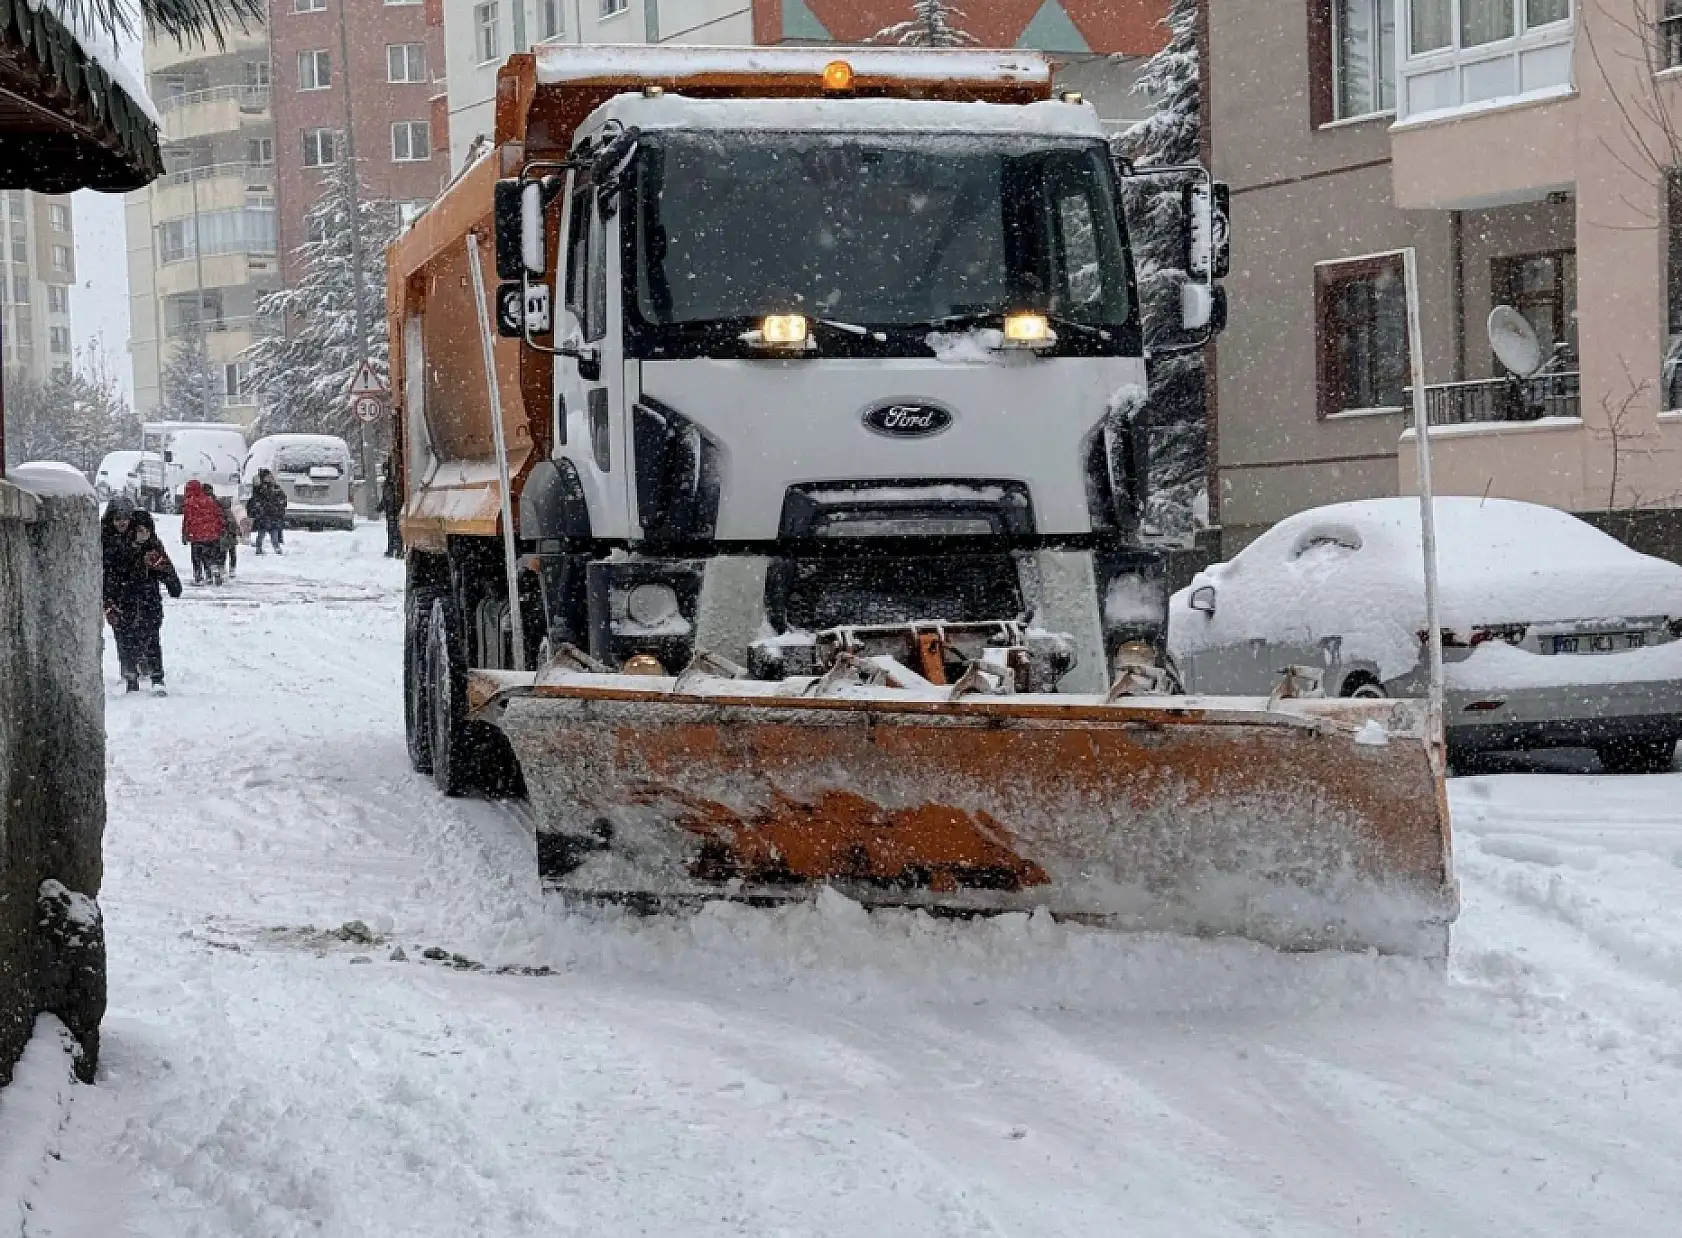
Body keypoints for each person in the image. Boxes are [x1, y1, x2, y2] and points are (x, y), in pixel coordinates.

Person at [101, 496, 182, 694]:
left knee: (150, 637)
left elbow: (166, 571)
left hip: (147, 598)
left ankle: (156, 676)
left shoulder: (146, 541)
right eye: (117, 518)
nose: (121, 522)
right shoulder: (106, 541)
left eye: (125, 518)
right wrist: (106, 598)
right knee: (124, 638)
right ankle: (130, 676)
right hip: (119, 598)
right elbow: (106, 571)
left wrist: (166, 576)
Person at [181, 479, 228, 586]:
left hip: (196, 535)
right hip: (212, 534)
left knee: (196, 557)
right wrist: (220, 529)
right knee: (209, 556)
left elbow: (187, 520)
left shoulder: (189, 503)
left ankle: (198, 577)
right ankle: (211, 573)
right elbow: (218, 515)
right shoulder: (210, 500)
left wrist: (185, 534)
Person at [248, 468, 287, 555]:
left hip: (272, 514)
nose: (269, 478)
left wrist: (280, 506)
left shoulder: (274, 487)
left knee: (274, 533)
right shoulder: (260, 488)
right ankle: (259, 548)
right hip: (265, 514)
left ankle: (276, 547)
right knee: (262, 533)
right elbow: (257, 499)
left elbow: (282, 497)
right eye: (267, 477)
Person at [376, 454, 403, 559]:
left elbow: (389, 496)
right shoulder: (389, 482)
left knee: (395, 529)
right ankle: (393, 549)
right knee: (392, 529)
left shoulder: (393, 482)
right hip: (391, 509)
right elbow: (386, 497)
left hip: (394, 509)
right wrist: (382, 506)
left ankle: (397, 549)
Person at [215, 487, 243, 579]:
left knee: (223, 554)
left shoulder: (218, 513)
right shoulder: (229, 513)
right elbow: (234, 524)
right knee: (232, 553)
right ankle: (232, 569)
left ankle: (222, 568)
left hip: (223, 536)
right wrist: (238, 531)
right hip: (230, 536)